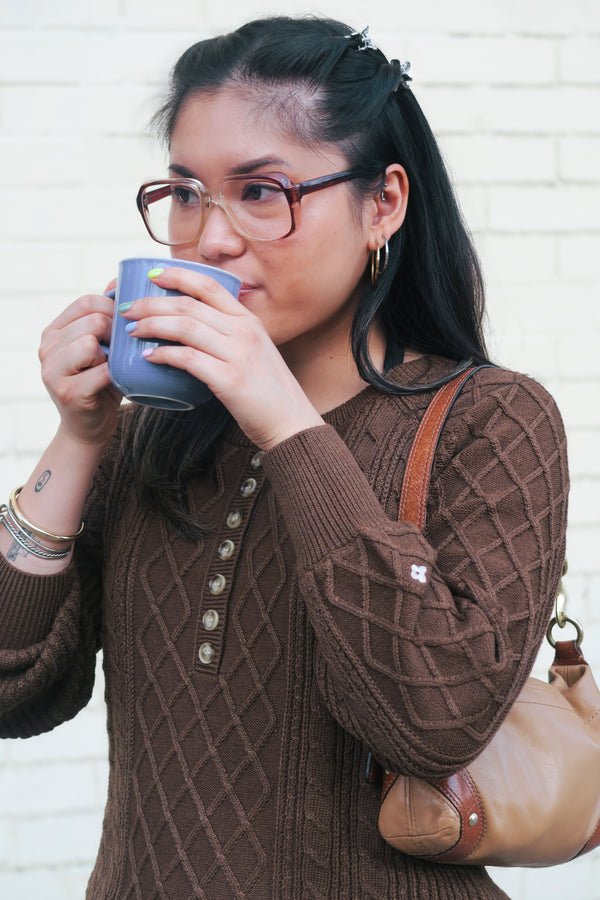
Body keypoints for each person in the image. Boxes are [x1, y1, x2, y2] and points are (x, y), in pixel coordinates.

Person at [0, 15, 568, 900]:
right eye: (186, 193)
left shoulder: (495, 421)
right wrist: (78, 437)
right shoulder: (153, 425)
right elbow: (16, 694)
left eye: (262, 191)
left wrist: (284, 421)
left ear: (383, 202)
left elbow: (434, 723)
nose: (211, 238)